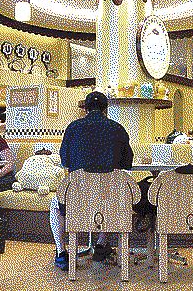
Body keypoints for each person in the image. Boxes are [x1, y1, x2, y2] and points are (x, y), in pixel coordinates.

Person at [49, 91, 133, 271]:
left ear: (85, 108)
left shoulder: (73, 127)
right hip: (109, 197)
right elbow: (128, 163)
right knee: (109, 197)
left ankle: (61, 252)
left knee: (55, 205)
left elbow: (65, 161)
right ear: (106, 108)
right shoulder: (117, 128)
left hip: (78, 198)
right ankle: (101, 245)